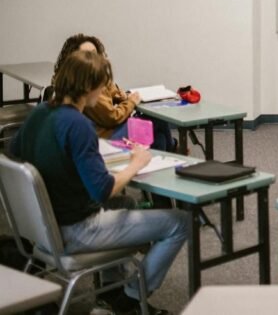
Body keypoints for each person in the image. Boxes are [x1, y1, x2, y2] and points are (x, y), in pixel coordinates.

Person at [11, 49, 188, 315]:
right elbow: (103, 190)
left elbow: (15, 155)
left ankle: (110, 293)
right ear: (90, 87)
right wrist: (136, 164)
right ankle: (131, 300)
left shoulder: (39, 114)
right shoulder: (78, 125)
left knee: (126, 202)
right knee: (179, 222)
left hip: (40, 228)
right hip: (76, 231)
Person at [53, 34, 175, 152]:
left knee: (159, 139)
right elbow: (112, 118)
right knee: (156, 119)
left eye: (95, 54)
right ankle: (175, 149)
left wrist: (120, 96)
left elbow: (110, 88)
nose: (93, 59)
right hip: (106, 136)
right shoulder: (86, 87)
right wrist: (131, 101)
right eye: (87, 55)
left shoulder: (84, 78)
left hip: (108, 129)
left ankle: (165, 158)